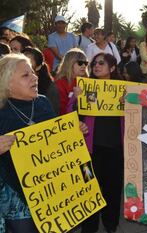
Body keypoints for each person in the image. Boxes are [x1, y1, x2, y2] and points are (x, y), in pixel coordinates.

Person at [0, 54, 88, 233]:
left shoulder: (43, 103)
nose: (34, 77)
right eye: (26, 75)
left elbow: (56, 143)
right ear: (6, 83)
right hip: (16, 196)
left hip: (51, 191)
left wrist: (72, 132)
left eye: (33, 72)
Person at [74, 53, 124, 233]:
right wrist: (76, 99)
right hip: (87, 153)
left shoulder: (123, 91)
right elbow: (69, 118)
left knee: (113, 189)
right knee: (88, 189)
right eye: (94, 63)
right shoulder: (84, 88)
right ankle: (89, 228)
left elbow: (139, 116)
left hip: (115, 152)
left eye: (101, 63)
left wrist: (131, 103)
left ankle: (111, 224)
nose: (96, 65)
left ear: (112, 68)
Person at [22, 47, 60, 114]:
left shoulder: (50, 88)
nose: (24, 65)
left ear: (38, 66)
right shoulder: (13, 83)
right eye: (22, 61)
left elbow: (53, 115)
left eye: (29, 62)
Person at [55, 48, 89, 115]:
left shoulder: (88, 82)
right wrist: (74, 98)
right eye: (80, 63)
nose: (84, 66)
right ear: (70, 63)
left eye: (86, 63)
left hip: (86, 122)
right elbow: (61, 111)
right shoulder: (59, 84)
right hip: (69, 122)